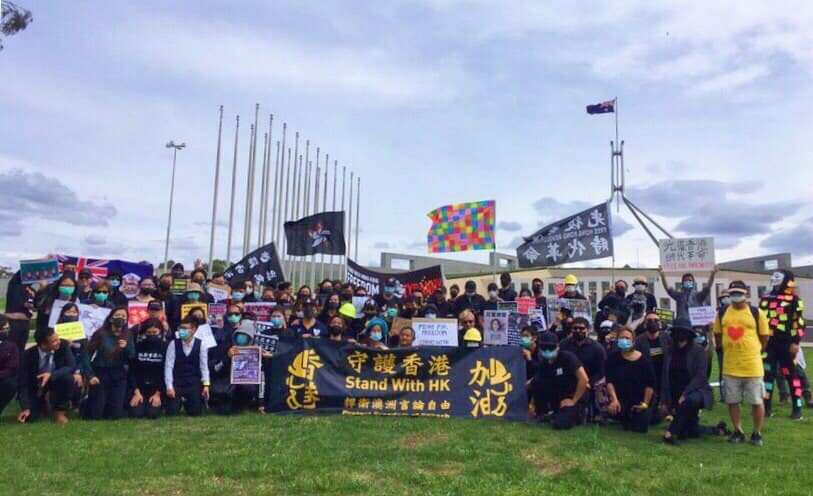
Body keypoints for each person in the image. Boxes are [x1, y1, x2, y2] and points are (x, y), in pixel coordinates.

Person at [713, 280, 769, 446]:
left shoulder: (756, 312)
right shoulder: (722, 313)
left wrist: (755, 350)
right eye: (732, 293)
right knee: (732, 401)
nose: (736, 296)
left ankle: (757, 433)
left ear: (746, 294)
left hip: (752, 366)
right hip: (730, 366)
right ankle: (738, 431)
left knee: (757, 401)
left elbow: (765, 337)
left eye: (739, 293)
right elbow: (717, 334)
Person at [759, 269, 806, 419]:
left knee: (791, 375)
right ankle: (766, 408)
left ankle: (797, 408)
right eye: (772, 275)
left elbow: (799, 323)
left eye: (777, 276)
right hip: (769, 344)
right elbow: (760, 320)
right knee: (767, 375)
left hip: (786, 344)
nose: (773, 278)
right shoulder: (766, 298)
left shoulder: (794, 299)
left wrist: (795, 342)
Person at [661, 319, 715, 445]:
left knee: (689, 401)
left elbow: (700, 377)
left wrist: (685, 394)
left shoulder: (698, 351)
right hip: (675, 392)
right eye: (677, 332)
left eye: (683, 332)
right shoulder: (669, 351)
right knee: (689, 431)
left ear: (689, 334)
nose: (680, 334)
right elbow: (665, 376)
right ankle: (717, 429)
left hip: (696, 391)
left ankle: (670, 433)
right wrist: (664, 401)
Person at [18, 326, 77, 424]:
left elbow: (71, 366)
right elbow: (22, 382)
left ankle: (60, 412)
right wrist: (25, 407)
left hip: (57, 380)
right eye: (54, 341)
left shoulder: (63, 345)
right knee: (30, 418)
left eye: (58, 338)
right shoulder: (27, 355)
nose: (58, 342)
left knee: (68, 378)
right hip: (36, 385)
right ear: (43, 345)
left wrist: (51, 375)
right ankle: (42, 403)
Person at [530, 331, 589, 430]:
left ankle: (580, 414)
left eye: (550, 347)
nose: (547, 350)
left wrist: (573, 400)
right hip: (557, 397)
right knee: (536, 383)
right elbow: (535, 381)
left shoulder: (568, 358)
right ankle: (541, 413)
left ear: (557, 346)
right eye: (544, 348)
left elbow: (584, 379)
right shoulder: (544, 363)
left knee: (560, 424)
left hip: (573, 396)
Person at [85, 307, 135, 420]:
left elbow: (132, 355)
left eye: (123, 316)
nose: (120, 318)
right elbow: (87, 354)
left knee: (115, 414)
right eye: (117, 315)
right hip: (101, 372)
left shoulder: (128, 334)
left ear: (127, 320)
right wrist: (90, 375)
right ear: (111, 318)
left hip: (119, 373)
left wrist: (125, 348)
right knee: (95, 414)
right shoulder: (100, 333)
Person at [606, 327, 656, 433]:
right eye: (622, 338)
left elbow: (650, 385)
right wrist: (614, 400)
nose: (625, 340)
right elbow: (609, 382)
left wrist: (645, 403)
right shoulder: (612, 358)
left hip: (641, 400)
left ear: (633, 341)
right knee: (619, 418)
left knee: (639, 428)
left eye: (627, 338)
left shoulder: (644, 360)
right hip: (621, 399)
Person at [560, 317, 608, 421]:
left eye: (581, 328)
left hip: (588, 383)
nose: (578, 331)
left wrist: (589, 383)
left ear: (588, 329)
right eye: (575, 328)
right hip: (567, 381)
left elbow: (601, 370)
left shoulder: (597, 348)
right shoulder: (564, 344)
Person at [165, 315, 210, 417]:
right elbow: (168, 367)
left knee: (195, 412)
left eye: (185, 328)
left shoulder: (201, 344)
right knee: (172, 412)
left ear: (193, 330)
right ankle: (178, 402)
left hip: (193, 382)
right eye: (180, 328)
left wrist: (206, 385)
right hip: (177, 382)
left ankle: (187, 401)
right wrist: (169, 387)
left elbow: (204, 367)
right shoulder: (173, 344)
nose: (181, 331)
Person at [635, 311, 671, 422]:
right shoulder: (639, 340)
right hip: (646, 378)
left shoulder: (666, 338)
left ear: (660, 323)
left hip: (664, 375)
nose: (653, 323)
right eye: (649, 321)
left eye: (656, 320)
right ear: (645, 324)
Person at [128, 318, 166, 419]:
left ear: (160, 332)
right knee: (136, 414)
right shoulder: (137, 347)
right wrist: (136, 392)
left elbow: (166, 372)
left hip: (157, 389)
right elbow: (132, 371)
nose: (152, 334)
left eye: (155, 332)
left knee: (152, 414)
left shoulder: (165, 347)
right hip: (139, 389)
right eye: (149, 332)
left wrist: (158, 394)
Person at [0, 316, 20, 418]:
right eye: (4, 329)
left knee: (10, 385)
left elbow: (12, 368)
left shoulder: (11, 347)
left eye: (8, 329)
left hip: (3, 379)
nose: (6, 331)